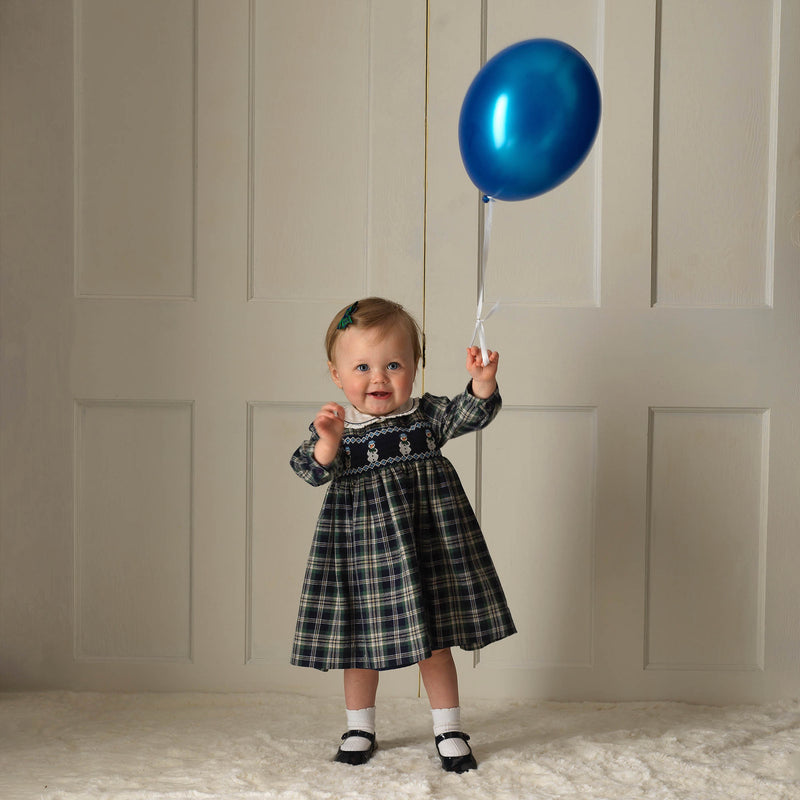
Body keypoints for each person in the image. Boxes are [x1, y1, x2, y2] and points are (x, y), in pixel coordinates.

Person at [289, 297, 516, 772]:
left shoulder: (424, 417)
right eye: (363, 366)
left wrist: (482, 382)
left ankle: (449, 726)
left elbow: (467, 415)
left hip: (428, 546)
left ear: (416, 367)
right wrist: (327, 442)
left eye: (394, 364)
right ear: (336, 374)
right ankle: (359, 726)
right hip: (362, 555)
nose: (379, 378)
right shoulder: (340, 429)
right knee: (359, 645)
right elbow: (308, 469)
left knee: (434, 642)